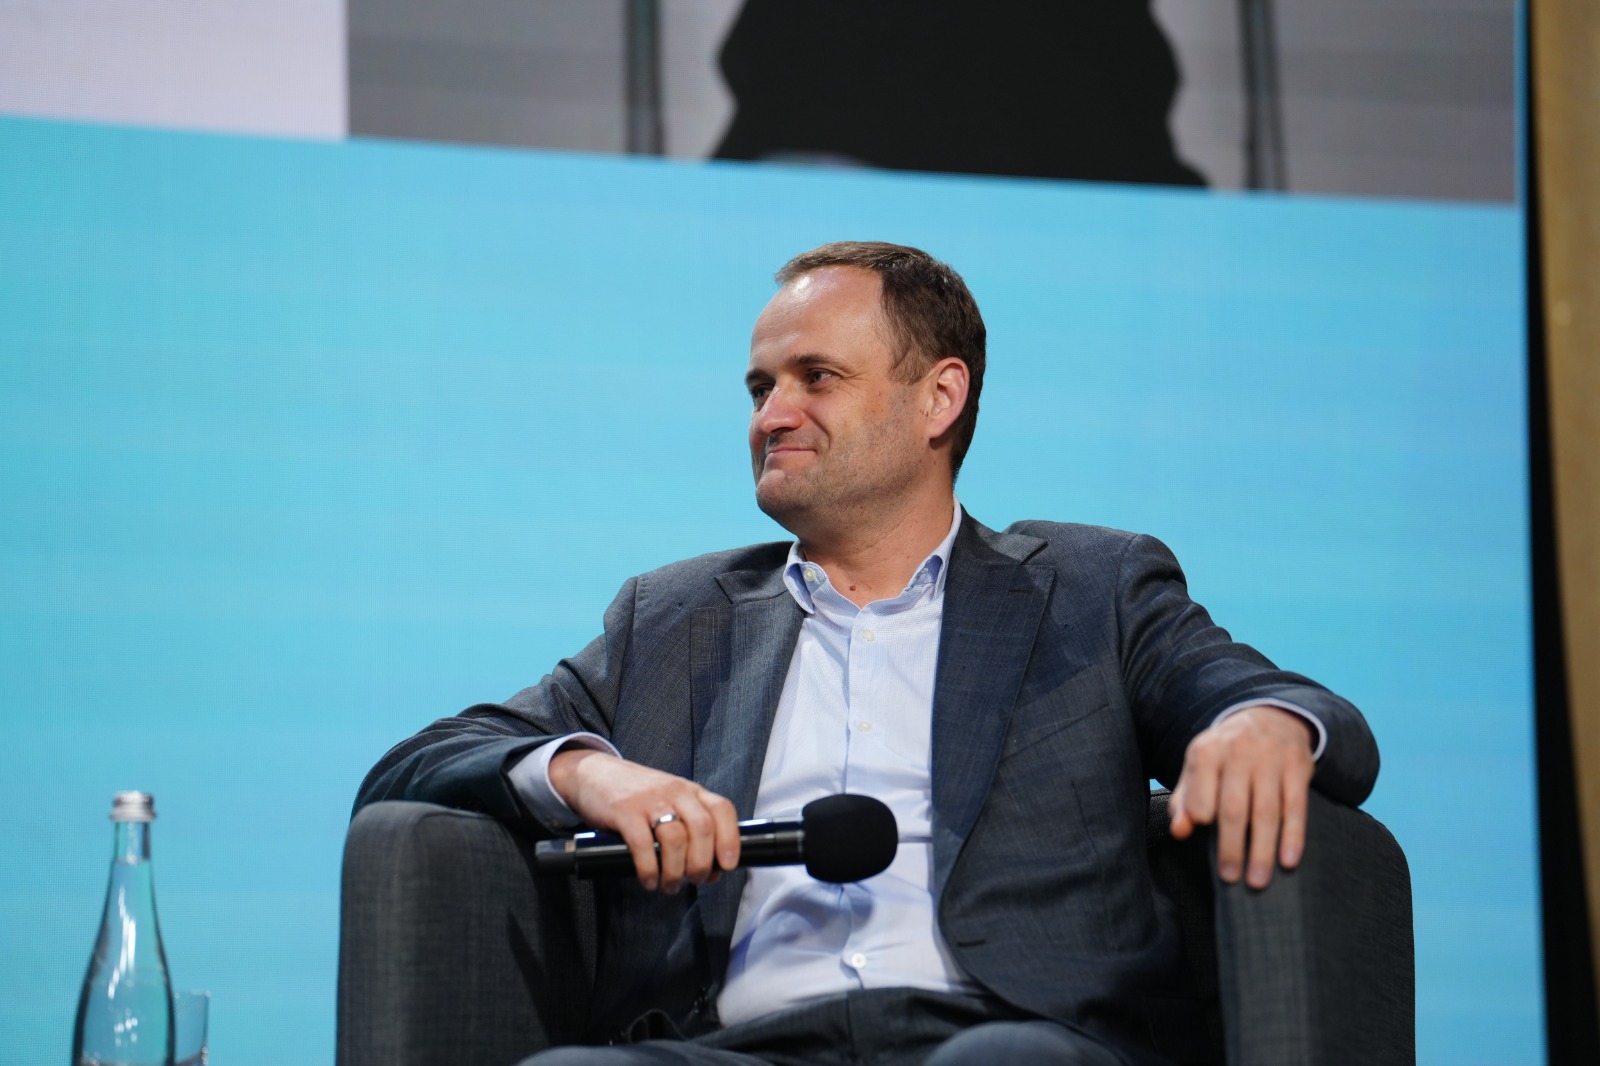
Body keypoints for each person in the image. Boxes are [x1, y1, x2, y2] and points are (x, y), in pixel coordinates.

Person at [355, 241, 1379, 1066]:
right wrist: (590, 771)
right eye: (759, 387)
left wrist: (1262, 725)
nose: (772, 416)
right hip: (732, 1043)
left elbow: (1282, 704)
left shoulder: (1090, 590)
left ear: (939, 398)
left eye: (816, 378)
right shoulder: (673, 617)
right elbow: (420, 760)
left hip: (1006, 1035)